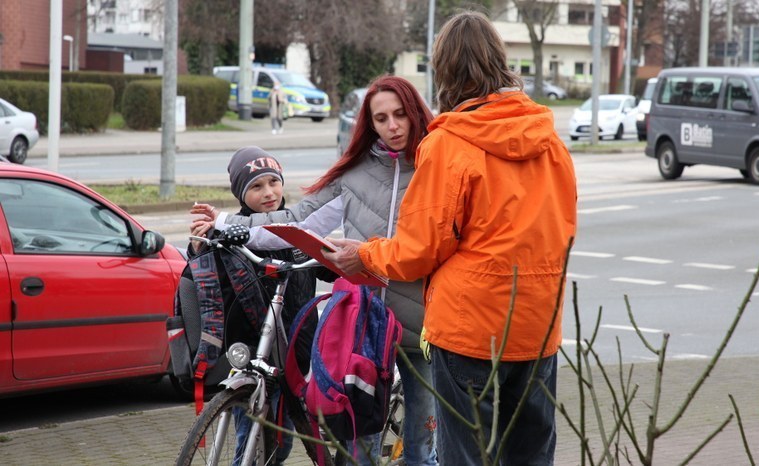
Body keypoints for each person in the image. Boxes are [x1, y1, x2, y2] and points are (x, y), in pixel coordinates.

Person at [321, 11, 577, 466]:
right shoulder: (549, 142)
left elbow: (417, 251)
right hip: (538, 324)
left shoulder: (449, 145)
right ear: (500, 61)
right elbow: (563, 229)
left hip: (470, 331)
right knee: (531, 456)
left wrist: (364, 254)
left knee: (466, 457)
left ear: (445, 72)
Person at [191, 75, 438, 466]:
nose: (392, 126)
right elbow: (297, 222)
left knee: (422, 453)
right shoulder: (353, 176)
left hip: (424, 328)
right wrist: (225, 223)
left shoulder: (438, 166)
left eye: (400, 115)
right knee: (355, 450)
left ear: (415, 114)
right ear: (368, 124)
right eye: (381, 118)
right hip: (365, 327)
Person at [189, 146, 337, 466]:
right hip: (254, 354)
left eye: (273, 182)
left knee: (281, 444)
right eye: (256, 187)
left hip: (297, 353)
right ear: (242, 195)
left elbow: (331, 266)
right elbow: (207, 271)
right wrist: (200, 245)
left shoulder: (298, 229)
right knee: (252, 440)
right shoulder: (235, 230)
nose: (268, 193)